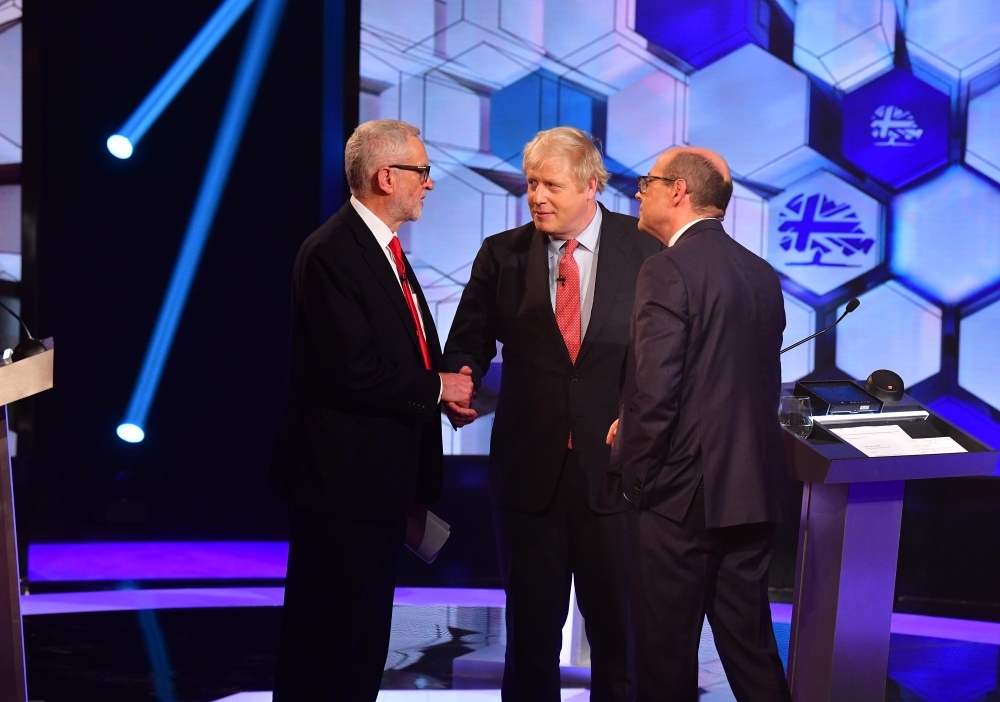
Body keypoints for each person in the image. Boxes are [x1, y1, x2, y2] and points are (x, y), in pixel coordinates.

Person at [443, 126, 661, 701]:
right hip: (528, 474)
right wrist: (460, 378)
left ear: (592, 186)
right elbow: (468, 341)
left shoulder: (645, 249)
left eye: (551, 185)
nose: (537, 196)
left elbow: (670, 353)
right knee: (532, 635)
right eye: (531, 184)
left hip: (615, 474)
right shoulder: (502, 253)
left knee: (620, 637)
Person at [270, 119, 475, 700]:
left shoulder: (383, 249)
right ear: (388, 176)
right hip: (341, 488)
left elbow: (402, 347)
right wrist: (437, 390)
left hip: (379, 487)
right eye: (423, 172)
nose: (429, 185)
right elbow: (351, 370)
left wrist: (443, 387)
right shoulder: (333, 251)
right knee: (326, 644)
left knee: (362, 644)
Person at [605, 146, 791, 701]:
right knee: (752, 654)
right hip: (750, 491)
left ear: (678, 192)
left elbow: (655, 391)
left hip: (677, 499)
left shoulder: (666, 269)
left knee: (664, 662)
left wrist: (633, 478)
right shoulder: (760, 273)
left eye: (648, 182)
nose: (639, 192)